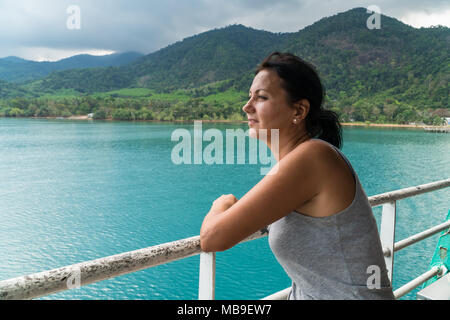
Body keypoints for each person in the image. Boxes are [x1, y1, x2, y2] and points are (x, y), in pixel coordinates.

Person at [200, 52, 395, 300]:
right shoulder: (299, 163)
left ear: (299, 110)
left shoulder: (313, 157)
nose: (246, 106)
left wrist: (223, 203)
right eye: (249, 96)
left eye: (261, 97)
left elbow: (212, 238)